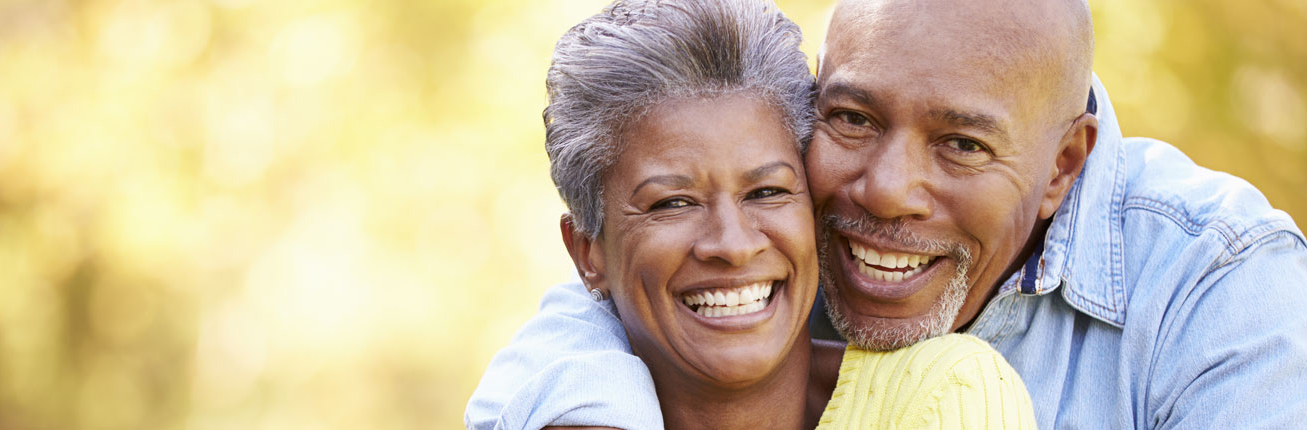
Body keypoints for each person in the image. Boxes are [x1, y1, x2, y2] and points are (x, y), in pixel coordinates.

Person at [467, 0, 1307, 428]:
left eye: (962, 146)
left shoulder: (1222, 283)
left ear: (1062, 168)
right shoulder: (775, 224)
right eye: (854, 119)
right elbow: (614, 292)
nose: (884, 190)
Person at [469, 0, 1037, 429]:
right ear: (587, 254)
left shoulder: (940, 395)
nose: (734, 244)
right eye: (672, 203)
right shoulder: (559, 388)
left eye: (766, 192)